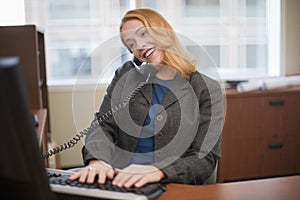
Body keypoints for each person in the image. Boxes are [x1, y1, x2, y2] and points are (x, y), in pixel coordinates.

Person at [69, 8, 224, 188]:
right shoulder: (126, 76)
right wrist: (96, 161)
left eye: (144, 34)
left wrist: (159, 171)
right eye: (132, 44)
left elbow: (204, 158)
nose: (140, 46)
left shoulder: (207, 89)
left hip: (171, 184)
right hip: (122, 179)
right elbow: (103, 125)